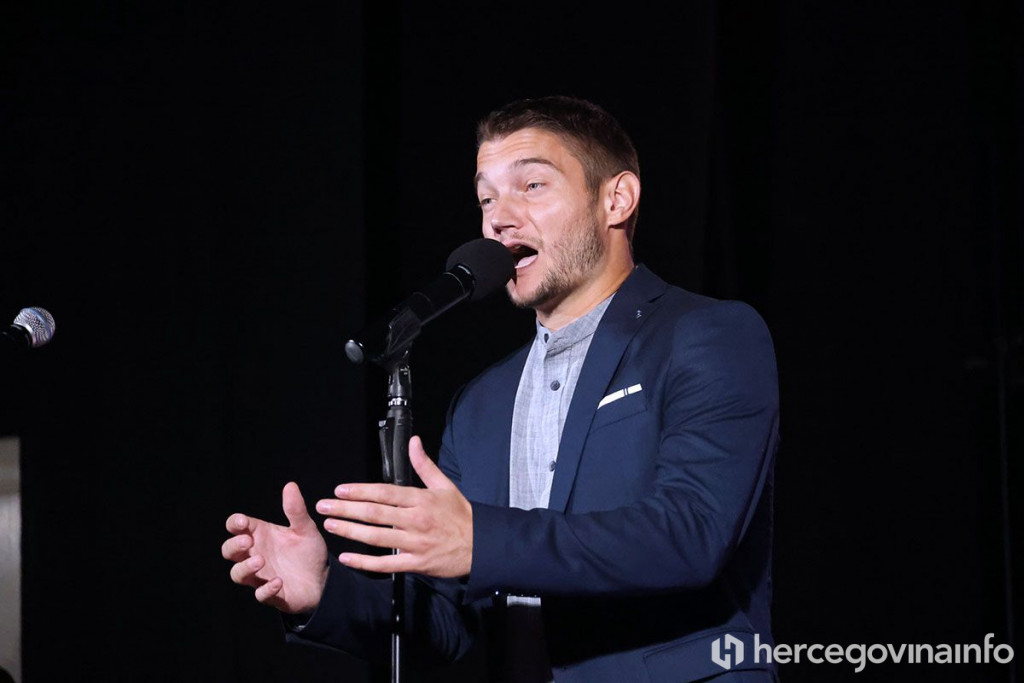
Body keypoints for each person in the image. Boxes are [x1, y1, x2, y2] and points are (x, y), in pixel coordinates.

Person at [222, 96, 780, 682]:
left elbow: (692, 532)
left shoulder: (706, 334)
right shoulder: (482, 403)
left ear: (616, 199)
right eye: (486, 199)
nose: (498, 220)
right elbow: (446, 622)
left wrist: (481, 540)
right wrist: (323, 591)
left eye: (532, 186)